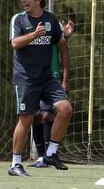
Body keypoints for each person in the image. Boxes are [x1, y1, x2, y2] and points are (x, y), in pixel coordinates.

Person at [8, 0, 73, 176]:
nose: (23, 0)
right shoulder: (18, 20)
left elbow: (61, 45)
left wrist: (66, 36)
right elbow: (15, 43)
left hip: (47, 77)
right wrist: (33, 35)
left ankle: (51, 153)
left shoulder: (51, 19)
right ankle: (15, 164)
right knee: (26, 119)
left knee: (65, 109)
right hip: (26, 79)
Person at [29, 21, 75, 168]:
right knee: (35, 117)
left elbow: (64, 50)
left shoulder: (53, 24)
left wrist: (65, 79)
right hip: (31, 78)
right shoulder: (25, 24)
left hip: (50, 77)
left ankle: (50, 153)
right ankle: (42, 158)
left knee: (46, 114)